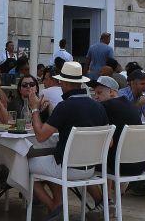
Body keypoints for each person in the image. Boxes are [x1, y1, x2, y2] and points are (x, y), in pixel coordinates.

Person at [26, 61, 108, 220]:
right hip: (90, 169)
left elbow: (41, 136)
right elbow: (108, 142)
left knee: (26, 165)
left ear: (64, 82)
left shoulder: (65, 106)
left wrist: (35, 108)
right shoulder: (98, 107)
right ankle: (58, 205)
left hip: (68, 168)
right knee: (51, 161)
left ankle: (55, 208)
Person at [87, 75, 145, 208]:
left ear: (112, 92)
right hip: (139, 163)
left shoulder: (106, 106)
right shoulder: (128, 104)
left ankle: (103, 203)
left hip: (121, 165)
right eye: (94, 93)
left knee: (80, 164)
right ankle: (107, 201)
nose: (96, 97)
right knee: (106, 152)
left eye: (99, 93)